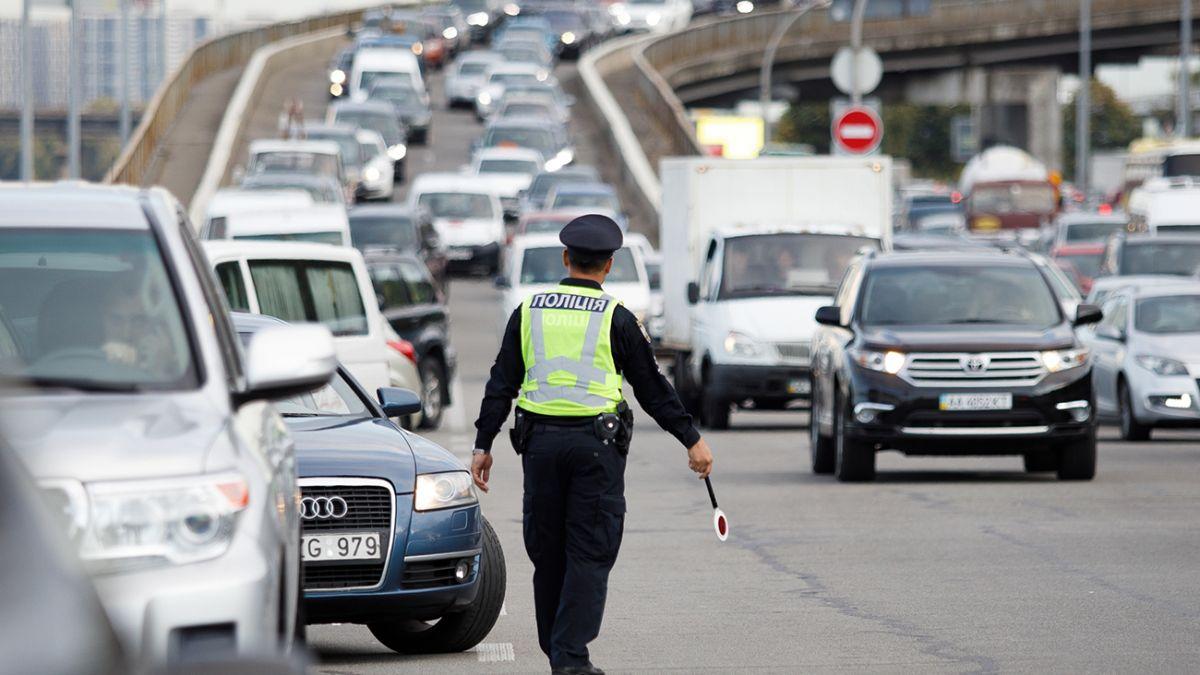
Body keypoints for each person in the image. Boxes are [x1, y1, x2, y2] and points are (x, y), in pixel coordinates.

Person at [472, 214, 714, 675]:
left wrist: (483, 444)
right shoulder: (617, 318)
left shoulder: (528, 311)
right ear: (608, 266)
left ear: (566, 259)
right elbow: (652, 388)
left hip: (539, 447)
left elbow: (500, 382)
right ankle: (570, 659)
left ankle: (561, 653)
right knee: (590, 551)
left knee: (548, 552)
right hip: (595, 450)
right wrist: (691, 439)